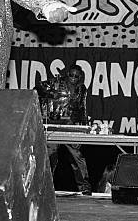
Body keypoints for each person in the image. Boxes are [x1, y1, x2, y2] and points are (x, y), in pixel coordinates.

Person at [45, 64, 92, 194]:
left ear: (80, 77)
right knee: (50, 155)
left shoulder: (82, 88)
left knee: (77, 156)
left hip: (71, 126)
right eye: (71, 74)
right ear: (67, 74)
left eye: (76, 76)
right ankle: (45, 186)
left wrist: (84, 125)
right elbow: (39, 90)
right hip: (56, 124)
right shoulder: (57, 83)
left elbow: (83, 107)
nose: (73, 77)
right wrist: (49, 103)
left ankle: (85, 187)